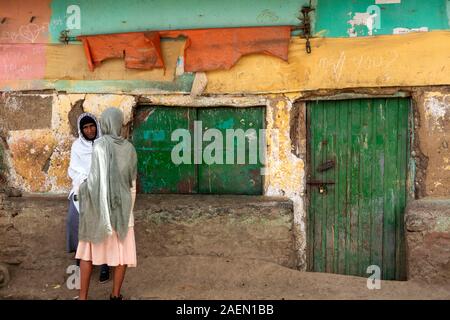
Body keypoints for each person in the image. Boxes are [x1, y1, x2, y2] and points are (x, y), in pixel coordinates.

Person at [76, 107, 138, 300]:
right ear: (119, 124)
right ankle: (115, 295)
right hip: (122, 211)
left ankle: (83, 297)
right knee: (122, 256)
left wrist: (83, 191)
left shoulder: (100, 145)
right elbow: (132, 184)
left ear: (104, 124)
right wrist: (127, 210)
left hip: (99, 212)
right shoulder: (129, 149)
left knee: (87, 254)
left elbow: (94, 181)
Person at [67, 113, 110, 283]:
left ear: (97, 126)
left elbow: (109, 167)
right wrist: (85, 179)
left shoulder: (105, 144)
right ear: (81, 130)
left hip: (103, 188)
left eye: (92, 126)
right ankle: (80, 256)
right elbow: (73, 170)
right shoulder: (77, 146)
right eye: (85, 127)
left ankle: (105, 262)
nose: (89, 130)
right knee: (73, 220)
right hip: (82, 186)